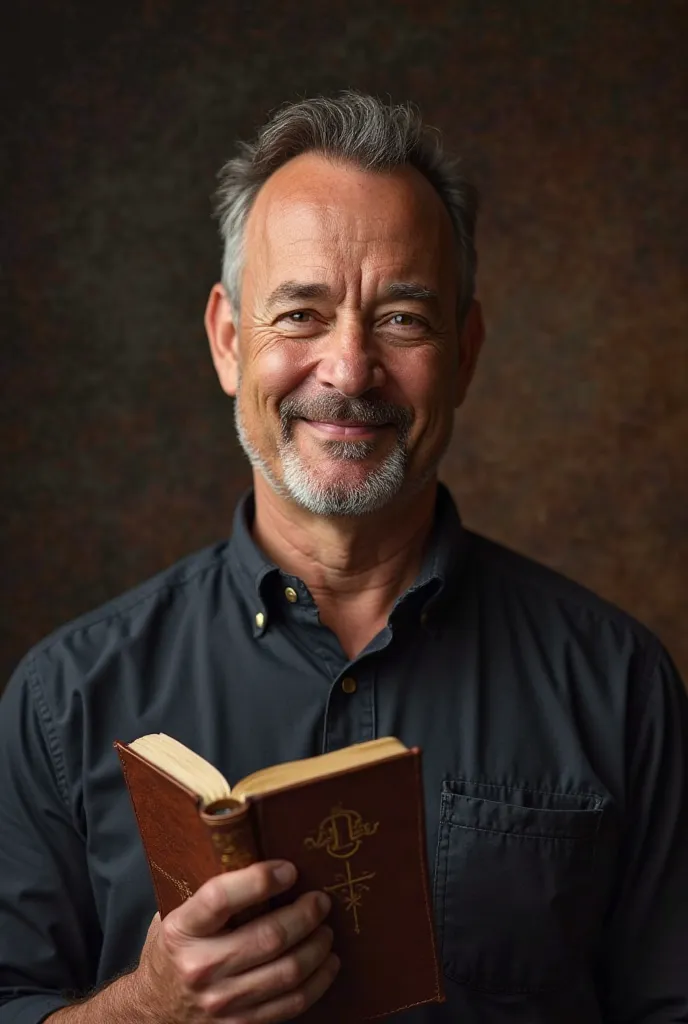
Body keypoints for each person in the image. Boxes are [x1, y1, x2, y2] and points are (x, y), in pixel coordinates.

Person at [0, 91, 686, 1024]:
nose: (350, 369)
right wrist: (149, 1007)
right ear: (229, 341)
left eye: (403, 318)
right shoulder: (61, 698)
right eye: (301, 315)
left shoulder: (621, 686)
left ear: (467, 352)